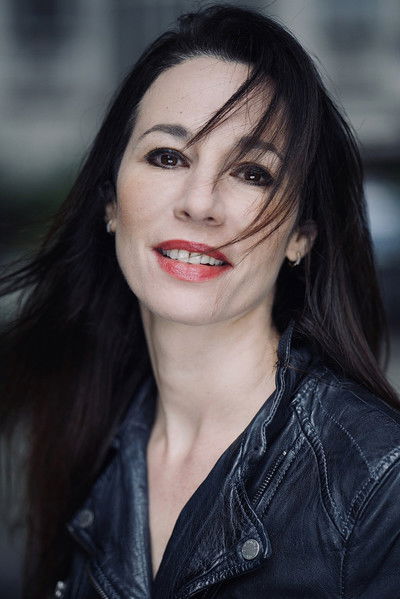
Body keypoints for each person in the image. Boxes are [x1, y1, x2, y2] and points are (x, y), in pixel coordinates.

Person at [1, 4, 399, 599]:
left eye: (252, 173)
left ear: (300, 236)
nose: (199, 202)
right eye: (168, 157)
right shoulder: (80, 438)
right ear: (111, 203)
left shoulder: (378, 482)